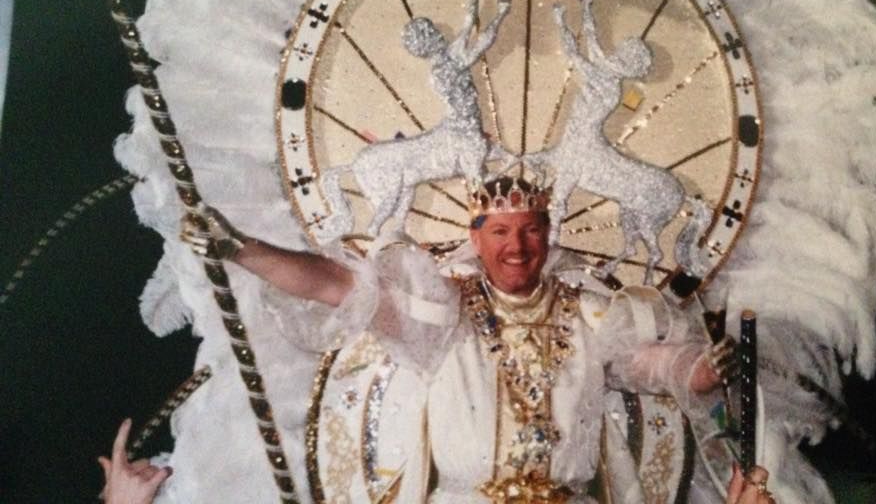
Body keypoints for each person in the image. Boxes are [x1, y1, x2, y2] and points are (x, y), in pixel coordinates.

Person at [104, 177, 752, 503]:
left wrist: (706, 367)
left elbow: (660, 366)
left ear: (549, 235)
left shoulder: (588, 315)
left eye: (529, 230)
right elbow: (332, 284)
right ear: (476, 238)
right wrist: (240, 248)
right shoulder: (440, 316)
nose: (516, 247)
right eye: (499, 232)